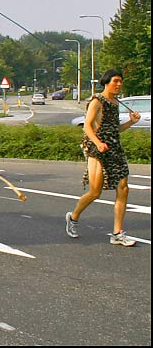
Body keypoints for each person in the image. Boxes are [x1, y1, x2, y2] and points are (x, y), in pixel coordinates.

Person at [65, 69, 141, 246]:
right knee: (95, 191)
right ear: (106, 82)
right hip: (96, 148)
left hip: (114, 148)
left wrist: (131, 122)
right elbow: (87, 126)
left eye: (121, 81)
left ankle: (117, 233)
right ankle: (73, 217)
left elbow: (115, 129)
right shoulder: (97, 100)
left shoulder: (115, 102)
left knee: (123, 187)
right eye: (115, 81)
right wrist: (98, 143)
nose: (119, 84)